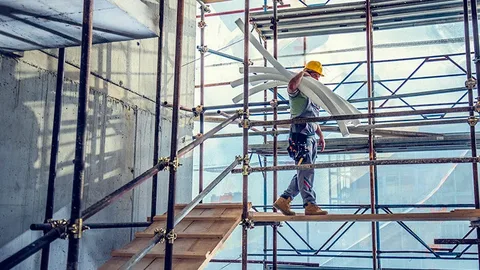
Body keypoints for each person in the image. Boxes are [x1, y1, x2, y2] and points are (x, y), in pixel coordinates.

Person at [273, 60, 328, 216]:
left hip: (310, 137)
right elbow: (290, 86)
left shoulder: (313, 97)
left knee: (303, 171)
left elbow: (314, 120)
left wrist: (321, 136)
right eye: (317, 76)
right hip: (300, 137)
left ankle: (284, 199)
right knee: (306, 170)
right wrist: (302, 74)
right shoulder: (299, 93)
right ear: (310, 74)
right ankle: (310, 204)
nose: (318, 80)